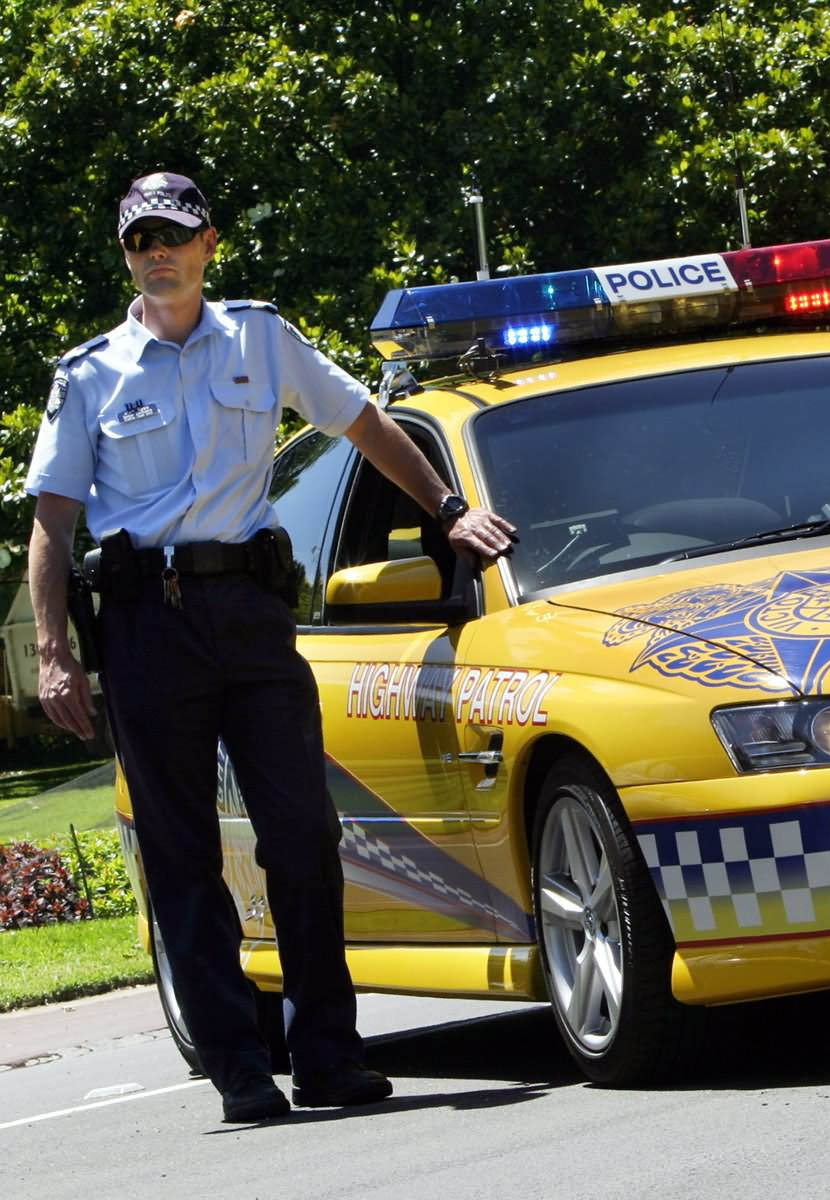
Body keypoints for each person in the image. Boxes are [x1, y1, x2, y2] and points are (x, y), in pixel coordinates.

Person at [25, 172, 518, 1124]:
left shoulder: (261, 336)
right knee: (181, 851)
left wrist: (448, 512)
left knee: (301, 833)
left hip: (252, 617)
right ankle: (237, 1063)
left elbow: (364, 423)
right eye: (139, 240)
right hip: (146, 626)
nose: (155, 252)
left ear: (209, 241)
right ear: (126, 254)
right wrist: (53, 651)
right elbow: (54, 519)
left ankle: (329, 1053)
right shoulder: (89, 374)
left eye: (172, 234)